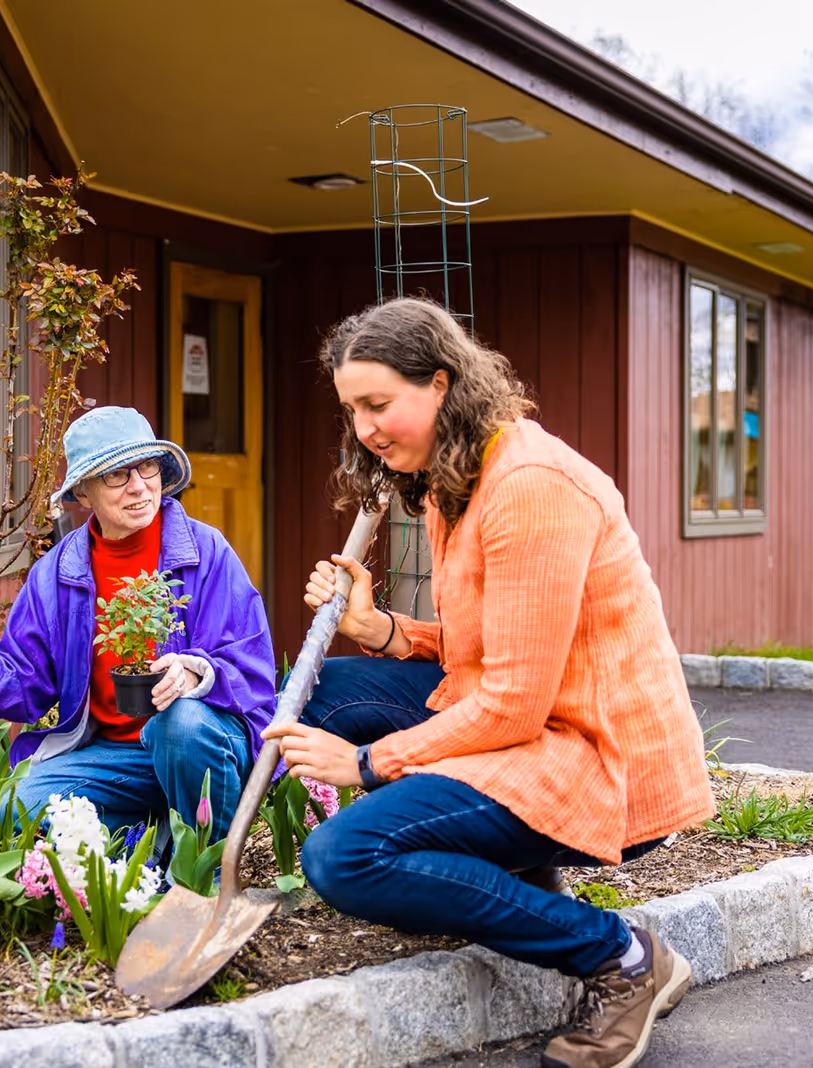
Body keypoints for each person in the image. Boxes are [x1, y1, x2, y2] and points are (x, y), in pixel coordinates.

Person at [268, 297, 715, 1068]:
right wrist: (383, 631)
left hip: (592, 754)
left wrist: (370, 765)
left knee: (346, 857)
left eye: (379, 404)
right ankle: (525, 873)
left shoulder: (530, 487)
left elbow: (513, 699)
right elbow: (488, 650)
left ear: (441, 384)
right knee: (327, 691)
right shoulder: (456, 478)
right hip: (529, 719)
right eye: (353, 411)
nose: (365, 430)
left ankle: (624, 959)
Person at [0, 406, 275, 842]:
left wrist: (194, 671)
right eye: (117, 474)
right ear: (83, 494)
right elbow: (22, 684)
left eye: (147, 467)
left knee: (180, 726)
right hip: (115, 757)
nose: (139, 486)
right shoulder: (59, 574)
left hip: (202, 744)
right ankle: (145, 839)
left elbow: (252, 668)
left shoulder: (206, 551)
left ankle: (205, 870)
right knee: (12, 814)